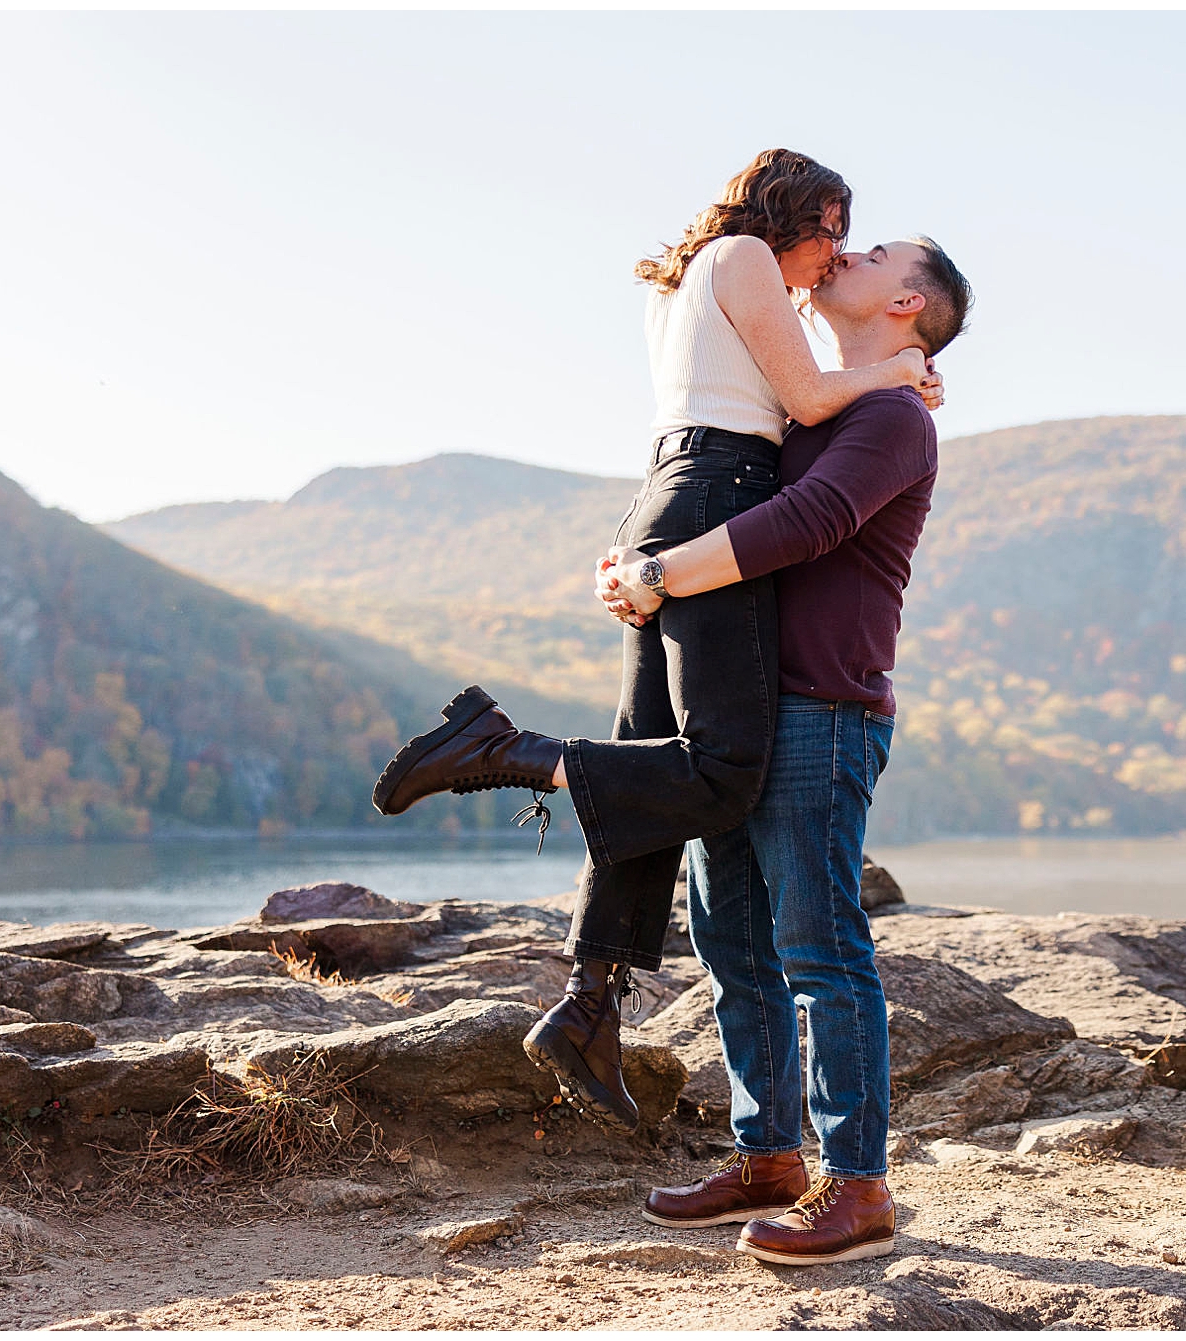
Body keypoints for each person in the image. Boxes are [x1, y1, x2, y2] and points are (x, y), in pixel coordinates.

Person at [369, 149, 940, 1132]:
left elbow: (745, 409)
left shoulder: (682, 282)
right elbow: (802, 404)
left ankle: (589, 1003)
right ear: (790, 219)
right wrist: (896, 367)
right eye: (833, 235)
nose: (832, 259)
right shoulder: (747, 261)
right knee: (715, 773)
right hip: (716, 498)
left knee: (642, 767)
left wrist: (645, 559)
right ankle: (500, 750)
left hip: (670, 495)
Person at [605, 237, 973, 1265]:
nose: (840, 251)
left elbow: (806, 522)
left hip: (823, 709)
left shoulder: (893, 418)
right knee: (729, 941)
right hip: (739, 707)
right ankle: (767, 1156)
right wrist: (636, 561)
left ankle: (856, 1186)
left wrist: (664, 574)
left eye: (872, 250)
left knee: (818, 946)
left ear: (906, 302)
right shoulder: (808, 401)